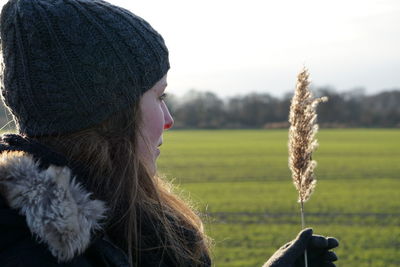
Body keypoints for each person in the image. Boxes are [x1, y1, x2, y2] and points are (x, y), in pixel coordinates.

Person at [0, 0, 339, 266]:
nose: (169, 119)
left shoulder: (110, 219)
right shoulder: (35, 252)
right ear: (111, 114)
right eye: (159, 96)